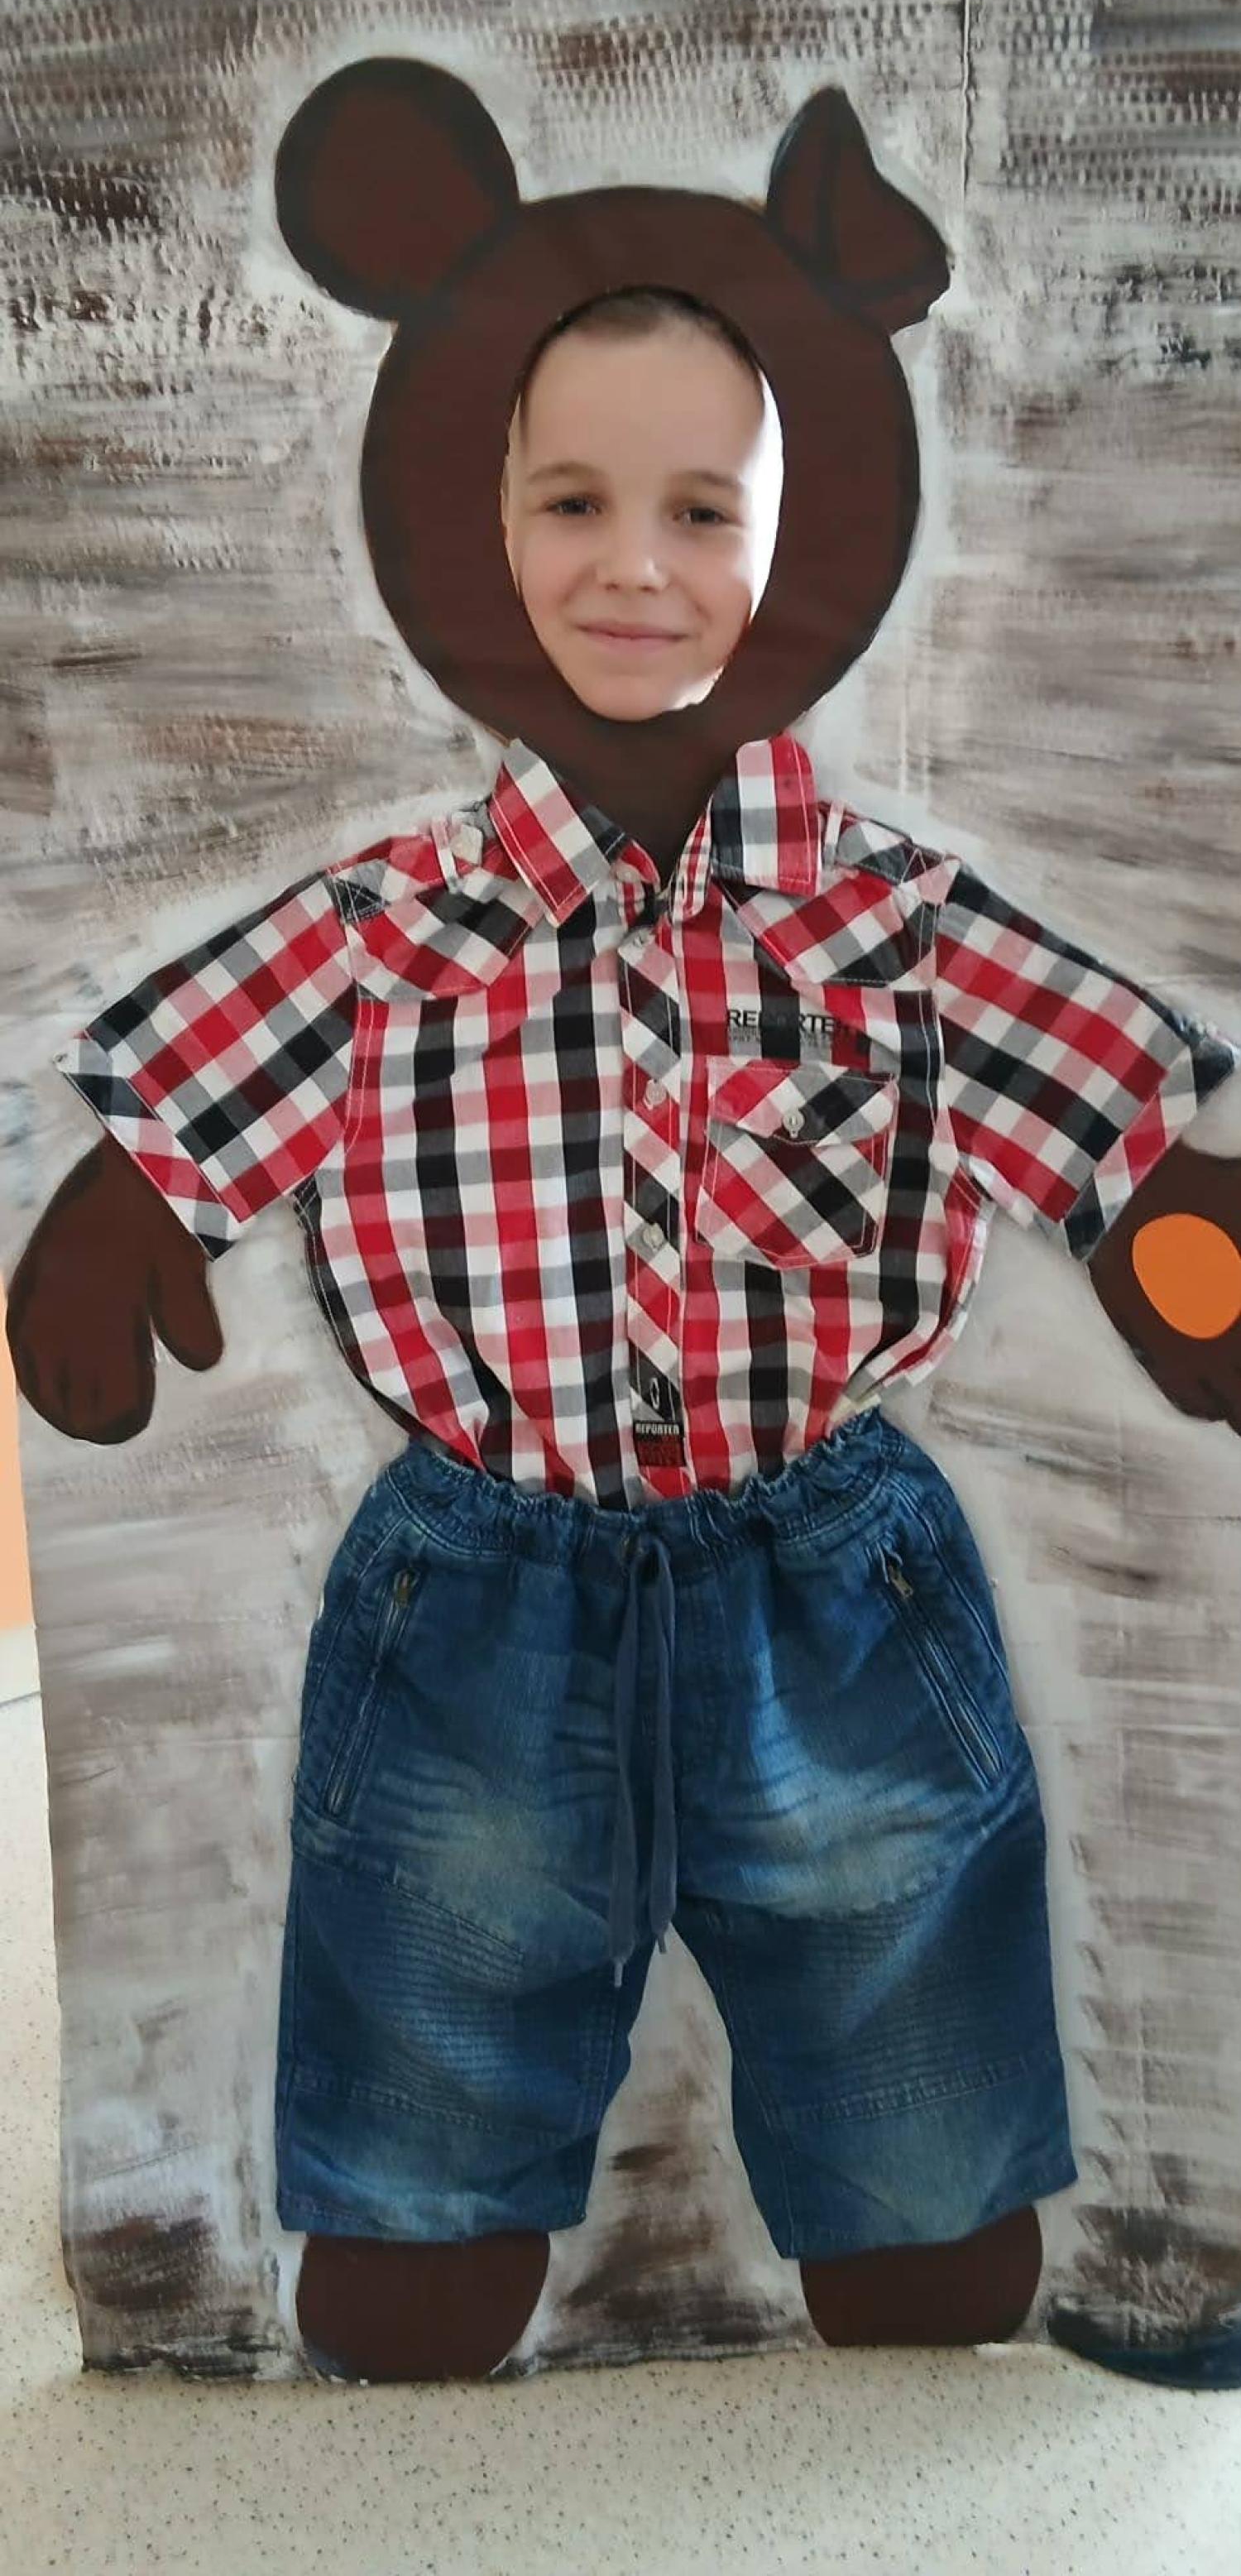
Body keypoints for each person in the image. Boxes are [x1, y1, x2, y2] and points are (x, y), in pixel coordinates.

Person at [11, 287, 1239, 2382]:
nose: (633, 567)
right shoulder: (393, 929)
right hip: (477, 1574)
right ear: (479, 527)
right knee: (439, 1937)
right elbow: (201, 1100)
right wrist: (119, 1229)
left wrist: (1165, 1229)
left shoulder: (889, 921)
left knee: (890, 1914)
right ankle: (422, 2224)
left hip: (829, 1567)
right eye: (572, 502)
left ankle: (923, 2209)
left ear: (795, 538)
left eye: (701, 510)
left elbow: (1107, 1116)